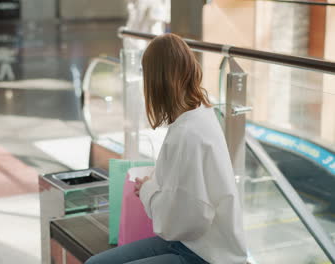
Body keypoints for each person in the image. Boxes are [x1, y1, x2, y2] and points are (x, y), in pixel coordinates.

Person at [85, 33, 247, 264]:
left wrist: (148, 191)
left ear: (154, 81)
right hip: (192, 244)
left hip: (206, 255)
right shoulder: (198, 113)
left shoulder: (188, 134)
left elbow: (184, 220)